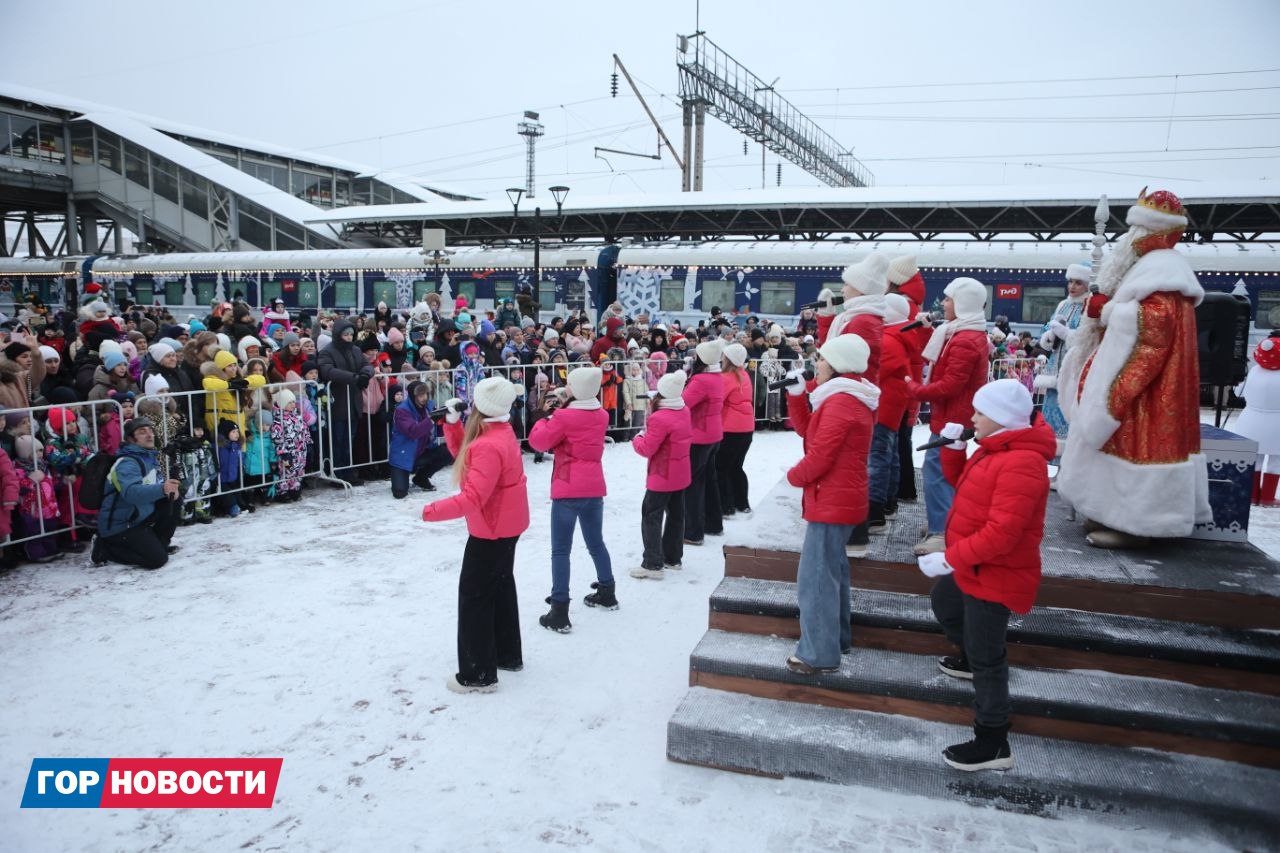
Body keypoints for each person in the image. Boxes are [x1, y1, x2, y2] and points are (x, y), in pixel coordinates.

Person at [1057, 189, 1211, 548]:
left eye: (1136, 231)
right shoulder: (1155, 270)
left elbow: (1155, 327)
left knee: (1137, 443)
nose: (1130, 238)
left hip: (1151, 389)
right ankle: (1110, 511)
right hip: (1145, 377)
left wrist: (1106, 311)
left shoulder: (1165, 273)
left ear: (1152, 233)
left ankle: (1136, 524)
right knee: (1117, 441)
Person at [919, 379, 1054, 771]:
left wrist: (949, 559)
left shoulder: (1023, 463)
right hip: (974, 565)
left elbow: (1003, 534)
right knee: (944, 602)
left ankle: (993, 741)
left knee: (988, 657)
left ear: (1001, 418)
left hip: (996, 573)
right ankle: (969, 657)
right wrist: (956, 450)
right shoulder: (997, 448)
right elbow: (964, 485)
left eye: (980, 412)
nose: (972, 417)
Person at [422, 376, 530, 694]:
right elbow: (469, 461)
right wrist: (453, 426)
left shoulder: (488, 442)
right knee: (499, 586)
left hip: (492, 528)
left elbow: (471, 496)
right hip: (506, 523)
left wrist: (426, 512)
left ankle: (478, 673)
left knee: (475, 596)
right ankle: (507, 654)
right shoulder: (498, 431)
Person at [782, 334, 878, 674]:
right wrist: (797, 397)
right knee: (831, 571)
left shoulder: (841, 402)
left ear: (837, 365)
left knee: (817, 579)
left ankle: (818, 653)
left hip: (833, 498)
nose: (816, 364)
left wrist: (793, 477)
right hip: (837, 497)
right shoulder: (843, 397)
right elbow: (810, 433)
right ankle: (835, 639)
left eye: (822, 359)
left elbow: (819, 455)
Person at [905, 277, 990, 556]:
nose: (943, 303)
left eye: (949, 299)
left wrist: (916, 389)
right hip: (953, 415)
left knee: (938, 470)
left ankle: (942, 531)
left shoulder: (964, 339)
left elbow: (952, 384)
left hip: (954, 417)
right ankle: (943, 521)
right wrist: (926, 331)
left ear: (962, 303)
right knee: (942, 469)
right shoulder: (959, 332)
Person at [528, 366, 616, 633]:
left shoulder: (563, 417)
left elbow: (539, 442)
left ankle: (559, 609)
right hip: (593, 486)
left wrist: (545, 415)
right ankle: (607, 590)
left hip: (567, 488)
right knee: (596, 542)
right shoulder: (601, 414)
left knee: (560, 550)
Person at [92, 419, 182, 570]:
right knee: (157, 560)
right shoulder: (127, 463)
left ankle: (159, 543)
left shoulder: (148, 458)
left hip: (137, 517)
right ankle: (104, 549)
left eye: (150, 431)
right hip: (120, 525)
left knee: (174, 499)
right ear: (130, 439)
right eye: (142, 432)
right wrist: (163, 489)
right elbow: (131, 494)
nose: (149, 435)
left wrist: (170, 490)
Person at [630, 370, 693, 580]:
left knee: (651, 515)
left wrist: (637, 438)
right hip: (680, 472)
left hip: (662, 474)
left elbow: (647, 448)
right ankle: (673, 558)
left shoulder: (660, 418)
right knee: (676, 514)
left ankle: (652, 563)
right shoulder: (684, 410)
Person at [867, 294, 917, 531]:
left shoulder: (890, 339)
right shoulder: (901, 335)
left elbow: (876, 371)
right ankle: (888, 503)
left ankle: (875, 511)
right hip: (892, 403)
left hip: (884, 404)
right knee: (889, 454)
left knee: (877, 457)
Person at [1034, 263, 1090, 442]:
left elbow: (1090, 338)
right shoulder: (1062, 306)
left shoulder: (1090, 307)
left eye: (1078, 283)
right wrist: (1049, 336)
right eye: (1070, 282)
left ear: (1087, 285)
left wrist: (1067, 334)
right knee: (1051, 419)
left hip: (1075, 370)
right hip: (1054, 373)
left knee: (1069, 420)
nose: (1072, 286)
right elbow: (1046, 330)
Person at [317, 319, 374, 485]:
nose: (349, 337)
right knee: (337, 440)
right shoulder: (327, 351)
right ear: (338, 335)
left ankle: (348, 472)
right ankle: (336, 473)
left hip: (353, 402)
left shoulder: (356, 350)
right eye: (345, 334)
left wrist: (365, 375)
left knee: (349, 439)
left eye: (351, 334)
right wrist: (354, 378)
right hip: (338, 402)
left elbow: (367, 365)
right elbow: (328, 371)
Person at [682, 339, 726, 545]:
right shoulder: (717, 377)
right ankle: (713, 523)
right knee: (709, 480)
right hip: (713, 433)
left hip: (698, 436)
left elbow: (684, 403)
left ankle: (692, 531)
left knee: (692, 484)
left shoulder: (701, 380)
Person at [389, 381, 453, 499]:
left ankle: (421, 478)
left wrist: (451, 412)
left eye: (426, 394)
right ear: (413, 396)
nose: (424, 398)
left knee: (448, 452)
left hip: (422, 451)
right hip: (403, 456)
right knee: (400, 493)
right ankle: (401, 475)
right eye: (420, 395)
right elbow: (413, 432)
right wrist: (432, 419)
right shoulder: (402, 410)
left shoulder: (429, 406)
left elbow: (439, 426)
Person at [1237, 335, 1280, 506]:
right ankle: (1268, 498)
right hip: (1277, 426)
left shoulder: (1254, 371)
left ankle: (1252, 496)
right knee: (1276, 462)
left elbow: (1238, 392)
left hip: (1251, 423)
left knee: (1255, 459)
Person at [717, 342, 754, 517]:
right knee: (737, 466)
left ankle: (726, 506)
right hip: (747, 428)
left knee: (722, 468)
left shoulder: (726, 378)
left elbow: (717, 401)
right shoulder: (744, 375)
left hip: (730, 428)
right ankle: (742, 502)